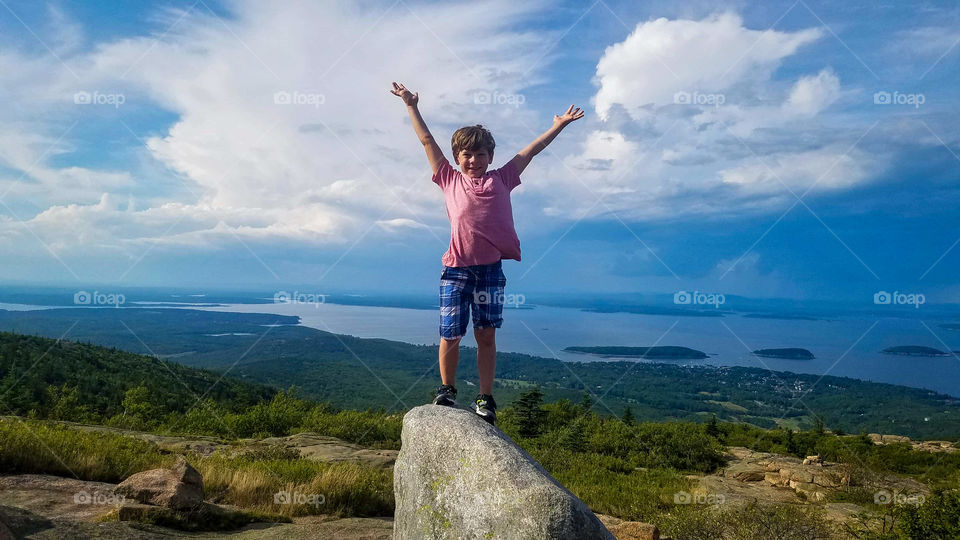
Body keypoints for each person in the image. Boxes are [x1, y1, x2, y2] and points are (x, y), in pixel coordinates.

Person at [390, 82, 583, 425]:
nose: (474, 160)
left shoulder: (503, 177)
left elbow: (532, 150)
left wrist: (559, 124)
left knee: (486, 335)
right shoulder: (448, 178)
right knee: (450, 332)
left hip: (490, 271)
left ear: (490, 157)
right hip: (456, 270)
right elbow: (426, 141)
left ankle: (486, 397)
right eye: (467, 154)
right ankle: (447, 390)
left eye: (481, 154)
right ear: (457, 157)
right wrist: (411, 105)